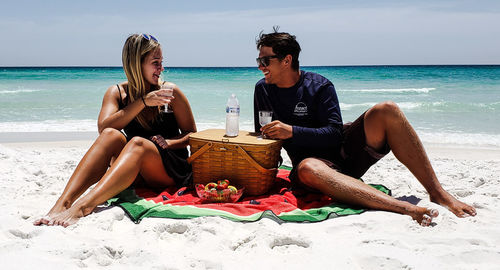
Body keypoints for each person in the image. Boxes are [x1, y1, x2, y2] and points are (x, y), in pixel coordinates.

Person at [253, 28, 476, 226]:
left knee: (387, 109)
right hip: (313, 168)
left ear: (286, 60)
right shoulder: (263, 90)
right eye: (259, 61)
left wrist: (292, 131)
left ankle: (437, 192)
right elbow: (263, 141)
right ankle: (404, 208)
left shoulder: (319, 86)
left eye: (265, 61)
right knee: (308, 167)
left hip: (345, 153)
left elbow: (333, 134)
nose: (261, 66)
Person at [34, 33, 196, 227]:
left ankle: (83, 206)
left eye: (161, 62)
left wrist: (170, 142)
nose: (161, 68)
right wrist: (143, 102)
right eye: (155, 62)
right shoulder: (117, 92)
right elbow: (104, 127)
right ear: (137, 64)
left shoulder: (170, 92)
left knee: (137, 143)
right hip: (134, 169)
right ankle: (63, 203)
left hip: (168, 169)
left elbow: (192, 134)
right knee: (111, 134)